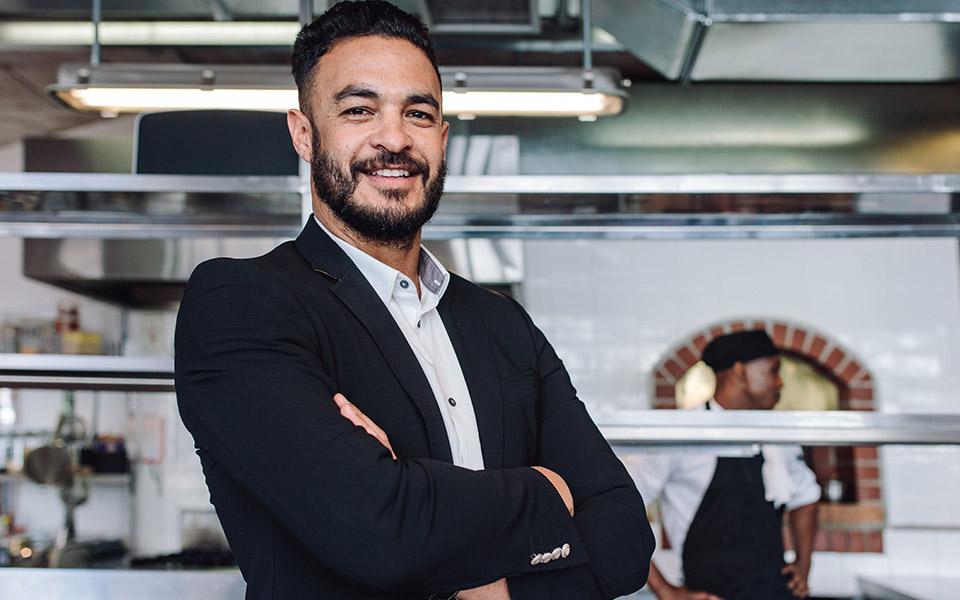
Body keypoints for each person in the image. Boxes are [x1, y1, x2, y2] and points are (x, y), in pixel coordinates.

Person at [174, 2, 654, 599]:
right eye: (359, 110)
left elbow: (627, 537)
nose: (394, 138)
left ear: (443, 138)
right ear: (304, 133)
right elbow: (380, 530)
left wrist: (486, 584)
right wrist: (547, 491)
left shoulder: (501, 323)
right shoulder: (243, 302)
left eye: (418, 114)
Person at [623, 330, 820, 600]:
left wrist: (803, 564)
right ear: (740, 373)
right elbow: (616, 508)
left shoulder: (775, 432)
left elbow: (806, 496)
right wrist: (666, 591)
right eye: (773, 371)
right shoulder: (682, 432)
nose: (780, 383)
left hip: (775, 591)